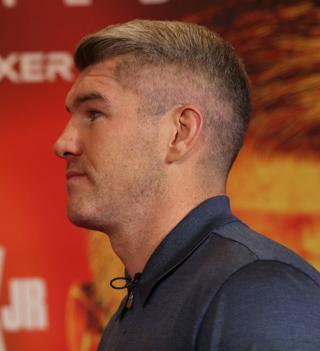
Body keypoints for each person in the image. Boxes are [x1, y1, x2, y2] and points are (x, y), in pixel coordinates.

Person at [54, 19, 320, 350]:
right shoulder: (141, 302)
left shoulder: (260, 295)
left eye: (93, 114)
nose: (63, 143)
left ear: (179, 133)